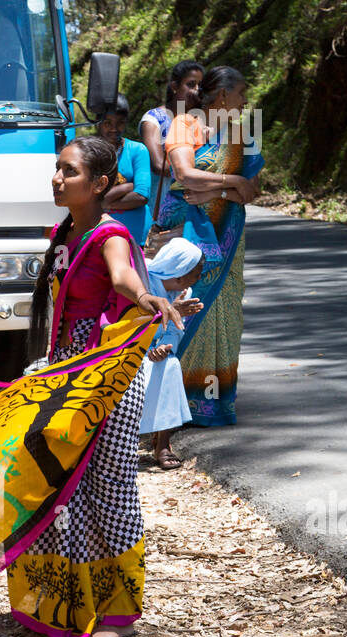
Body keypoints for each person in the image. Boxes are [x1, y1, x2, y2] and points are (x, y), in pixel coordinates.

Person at [0, 137, 180, 637]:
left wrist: (146, 297)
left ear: (99, 184)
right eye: (56, 169)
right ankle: (65, 604)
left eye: (70, 172)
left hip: (102, 381)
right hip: (64, 375)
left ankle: (120, 613)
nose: (58, 178)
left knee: (111, 491)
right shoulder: (65, 233)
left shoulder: (110, 237)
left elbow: (124, 277)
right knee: (61, 492)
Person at [156, 66, 264, 426]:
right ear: (222, 97)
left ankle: (216, 405)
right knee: (189, 312)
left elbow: (252, 191)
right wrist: (230, 180)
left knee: (227, 314)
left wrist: (215, 188)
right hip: (190, 239)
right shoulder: (184, 125)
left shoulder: (243, 132)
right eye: (241, 93)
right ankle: (177, 407)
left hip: (230, 236)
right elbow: (185, 176)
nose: (246, 100)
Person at [139, 238, 205, 468]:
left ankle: (163, 443)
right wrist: (169, 314)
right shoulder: (142, 281)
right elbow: (131, 324)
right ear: (178, 273)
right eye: (195, 273)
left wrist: (165, 348)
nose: (198, 278)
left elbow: (176, 332)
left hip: (156, 350)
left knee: (170, 366)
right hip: (127, 348)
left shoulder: (184, 291)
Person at [139, 61, 204, 224]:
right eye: (191, 84)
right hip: (160, 207)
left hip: (195, 208)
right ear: (175, 86)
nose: (196, 90)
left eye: (200, 86)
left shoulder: (200, 120)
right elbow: (159, 165)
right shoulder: (154, 120)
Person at [96, 95, 152, 248]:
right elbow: (85, 196)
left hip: (135, 236)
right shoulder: (88, 152)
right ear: (99, 123)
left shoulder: (137, 150)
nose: (114, 129)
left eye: (120, 123)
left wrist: (103, 202)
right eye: (108, 123)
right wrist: (127, 187)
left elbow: (141, 196)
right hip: (99, 235)